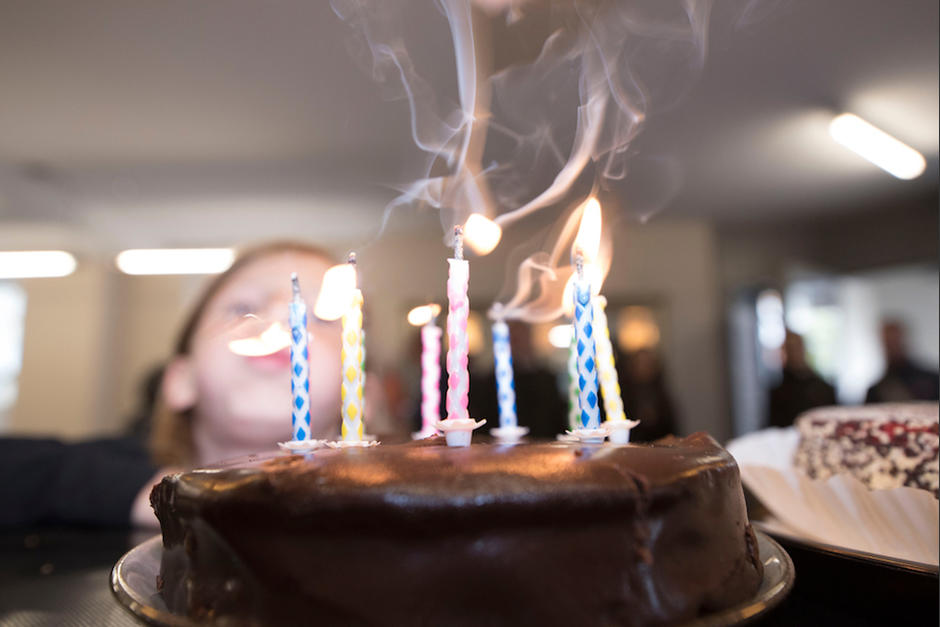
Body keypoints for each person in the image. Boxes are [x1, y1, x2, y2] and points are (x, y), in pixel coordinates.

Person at [0, 241, 349, 528]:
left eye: (321, 316)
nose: (282, 319)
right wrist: (173, 494)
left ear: (364, 390)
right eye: (243, 308)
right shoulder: (102, 468)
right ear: (181, 380)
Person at [768, 331, 836, 428]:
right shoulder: (779, 391)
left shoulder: (820, 387)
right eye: (791, 348)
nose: (795, 352)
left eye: (796, 347)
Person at [865, 320, 939, 403]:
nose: (892, 347)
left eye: (894, 340)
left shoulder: (932, 380)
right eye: (888, 342)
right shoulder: (876, 390)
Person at [617, 348, 678, 442]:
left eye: (647, 364)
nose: (643, 368)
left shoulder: (662, 395)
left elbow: (671, 427)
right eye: (639, 363)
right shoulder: (624, 395)